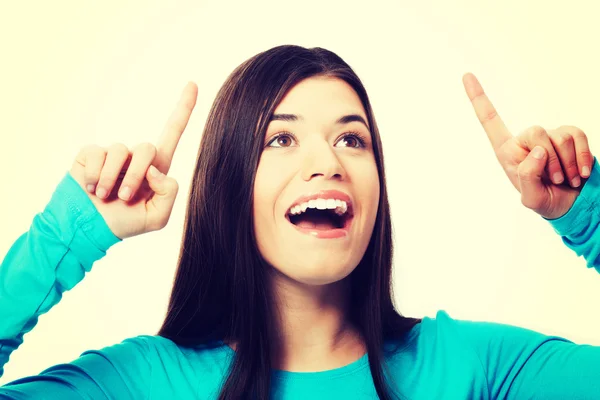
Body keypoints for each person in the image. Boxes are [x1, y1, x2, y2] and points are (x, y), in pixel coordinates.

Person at [0, 45, 598, 400]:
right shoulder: (143, 381)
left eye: (351, 138)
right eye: (281, 137)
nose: (328, 162)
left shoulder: (473, 368)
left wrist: (586, 217)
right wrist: (70, 233)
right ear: (231, 183)